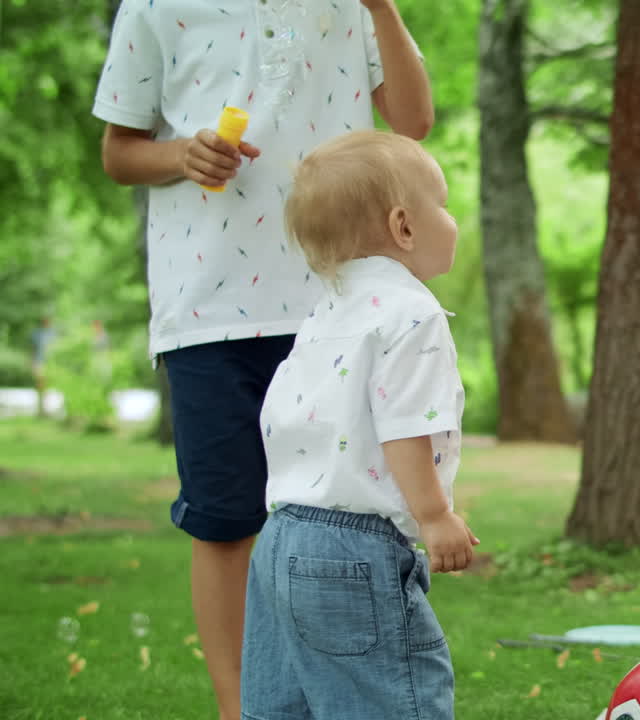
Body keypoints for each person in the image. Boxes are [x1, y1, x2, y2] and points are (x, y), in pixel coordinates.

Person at [90, 2, 433, 718]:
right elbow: (120, 150)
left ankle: (341, 692)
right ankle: (237, 709)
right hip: (206, 304)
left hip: (341, 298)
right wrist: (181, 153)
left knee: (352, 507)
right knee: (224, 513)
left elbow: (413, 120)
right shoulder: (153, 6)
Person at [243, 129, 475, 719]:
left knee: (285, 706)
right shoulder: (412, 313)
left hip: (279, 539)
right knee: (391, 699)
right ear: (404, 226)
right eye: (442, 204)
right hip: (352, 548)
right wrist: (434, 514)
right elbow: (403, 425)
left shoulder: (325, 314)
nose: (451, 219)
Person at [30, 315, 55, 418]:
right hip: (39, 361)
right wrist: (32, 362)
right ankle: (41, 409)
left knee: (48, 386)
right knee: (40, 385)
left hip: (51, 363)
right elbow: (33, 349)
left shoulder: (53, 334)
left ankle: (47, 409)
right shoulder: (37, 334)